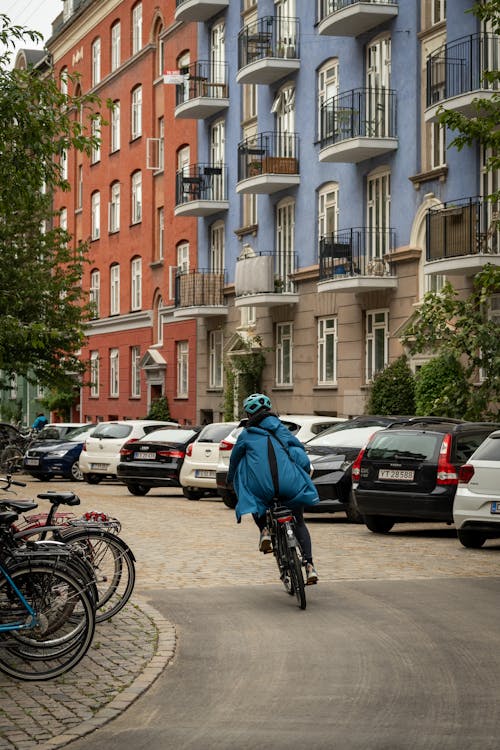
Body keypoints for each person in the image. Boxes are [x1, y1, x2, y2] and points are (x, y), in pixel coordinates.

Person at [227, 393, 319, 584]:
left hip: (262, 489)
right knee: (299, 522)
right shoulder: (283, 431)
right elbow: (300, 457)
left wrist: (230, 480)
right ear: (269, 411)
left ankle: (265, 531)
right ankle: (309, 566)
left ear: (248, 414)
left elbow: (235, 460)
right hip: (289, 486)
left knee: (255, 500)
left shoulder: (245, 435)